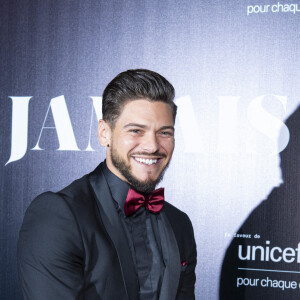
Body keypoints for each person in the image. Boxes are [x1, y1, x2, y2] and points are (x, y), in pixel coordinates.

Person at [18, 69, 197, 300]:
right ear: (104, 133)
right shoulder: (59, 215)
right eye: (136, 130)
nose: (152, 146)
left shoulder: (179, 223)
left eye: (164, 132)